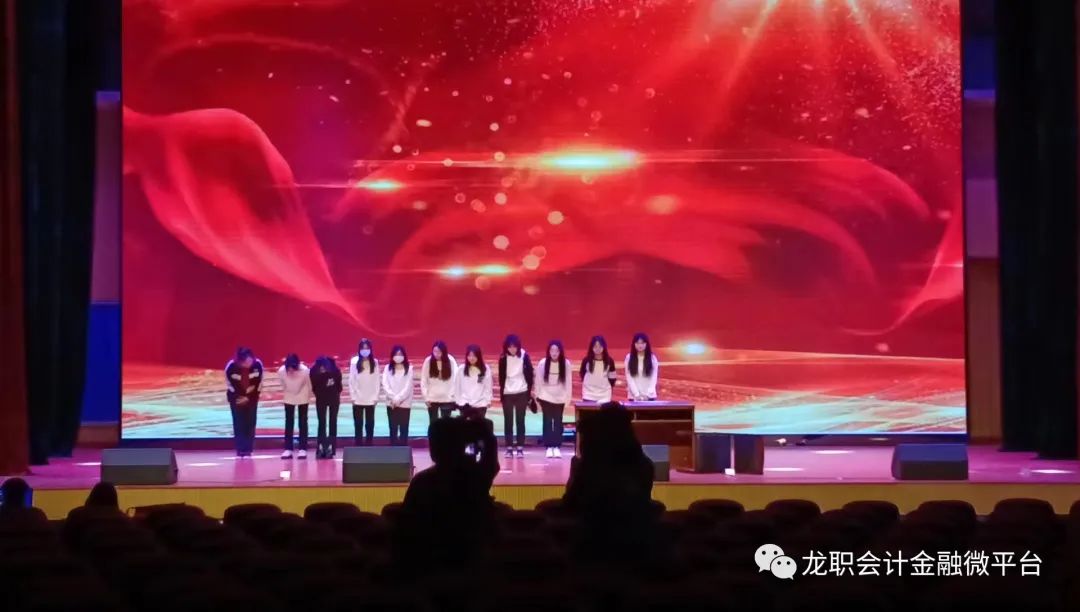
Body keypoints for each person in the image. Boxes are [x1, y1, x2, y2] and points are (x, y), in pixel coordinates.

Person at [563, 402, 663, 564]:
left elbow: (569, 503)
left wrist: (575, 473)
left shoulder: (592, 464)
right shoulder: (644, 464)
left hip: (593, 543)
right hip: (637, 545)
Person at [395, 417, 499, 567]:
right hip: (473, 561)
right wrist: (483, 432)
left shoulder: (422, 481)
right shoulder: (475, 476)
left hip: (428, 563)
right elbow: (491, 463)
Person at [498, 334, 534, 457]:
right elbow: (501, 376)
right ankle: (509, 448)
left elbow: (530, 373)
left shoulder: (524, 355)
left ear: (518, 346)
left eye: (514, 347)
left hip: (521, 392)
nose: (512, 349)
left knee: (520, 420)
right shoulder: (503, 357)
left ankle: (520, 448)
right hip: (507, 392)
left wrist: (528, 392)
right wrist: (502, 393)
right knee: (508, 421)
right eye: (510, 347)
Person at [536, 340, 573, 459]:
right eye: (552, 350)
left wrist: (567, 398)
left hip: (559, 397)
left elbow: (568, 382)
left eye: (557, 350)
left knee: (557, 422)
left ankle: (556, 446)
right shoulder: (543, 363)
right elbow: (538, 381)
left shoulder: (566, 364)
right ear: (548, 351)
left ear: (560, 352)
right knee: (547, 422)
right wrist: (538, 396)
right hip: (545, 396)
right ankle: (548, 447)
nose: (554, 353)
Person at [225, 347, 264, 457]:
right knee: (239, 423)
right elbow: (230, 385)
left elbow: (259, 384)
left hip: (252, 399)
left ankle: (248, 449)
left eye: (250, 361)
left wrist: (249, 398)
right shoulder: (231, 367)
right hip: (236, 399)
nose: (249, 363)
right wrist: (239, 397)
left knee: (250, 423)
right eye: (246, 362)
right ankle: (240, 449)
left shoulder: (258, 365)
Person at [277, 353, 312, 459]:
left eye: (293, 368)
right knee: (289, 422)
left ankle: (303, 449)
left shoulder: (305, 370)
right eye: (289, 368)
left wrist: (307, 396)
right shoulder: (281, 371)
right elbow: (283, 384)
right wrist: (290, 392)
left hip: (303, 394)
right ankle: (288, 449)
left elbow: (309, 385)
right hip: (289, 396)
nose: (291, 370)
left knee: (303, 422)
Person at [310, 356, 343, 459]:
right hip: (321, 398)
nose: (322, 369)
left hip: (334, 397)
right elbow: (314, 387)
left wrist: (334, 393)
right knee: (322, 422)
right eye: (321, 368)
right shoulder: (313, 372)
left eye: (324, 368)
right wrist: (320, 395)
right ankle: (321, 447)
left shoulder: (335, 371)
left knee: (333, 422)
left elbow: (339, 387)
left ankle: (331, 448)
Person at [349, 339, 380, 446]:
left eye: (367, 348)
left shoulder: (374, 362)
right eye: (363, 348)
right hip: (357, 398)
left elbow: (377, 380)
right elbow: (351, 380)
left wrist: (376, 396)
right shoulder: (354, 362)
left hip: (371, 398)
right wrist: (353, 396)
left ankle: (369, 445)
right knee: (358, 424)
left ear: (370, 349)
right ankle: (358, 445)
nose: (365, 350)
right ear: (359, 349)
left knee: (369, 424)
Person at [382, 345, 414, 446]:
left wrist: (398, 399)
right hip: (391, 404)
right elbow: (385, 384)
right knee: (393, 429)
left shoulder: (409, 369)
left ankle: (403, 451)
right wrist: (393, 398)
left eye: (400, 354)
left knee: (404, 430)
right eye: (396, 354)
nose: (398, 356)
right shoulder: (387, 368)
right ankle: (393, 451)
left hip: (405, 404)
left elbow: (408, 387)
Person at [421, 340, 457, 426]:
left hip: (447, 398)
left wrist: (453, 394)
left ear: (444, 352)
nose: (436, 354)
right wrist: (426, 397)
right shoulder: (428, 361)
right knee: (433, 424)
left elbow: (456, 378)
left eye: (439, 352)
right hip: (432, 398)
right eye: (435, 351)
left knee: (446, 424)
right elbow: (423, 380)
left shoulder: (451, 360)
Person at [454, 344, 493, 421]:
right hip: (465, 404)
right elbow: (457, 386)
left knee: (478, 427)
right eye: (469, 356)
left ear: (478, 356)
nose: (471, 358)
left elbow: (488, 386)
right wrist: (458, 401)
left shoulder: (485, 369)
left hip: (480, 404)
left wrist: (488, 400)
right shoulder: (461, 369)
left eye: (474, 356)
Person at [580, 335, 617, 404]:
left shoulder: (609, 361)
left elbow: (612, 378)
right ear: (591, 347)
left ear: (604, 347)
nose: (598, 349)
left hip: (605, 395)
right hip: (588, 394)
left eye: (600, 346)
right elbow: (582, 373)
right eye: (595, 346)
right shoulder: (586, 360)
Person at [625, 332, 660, 401]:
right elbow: (629, 377)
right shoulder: (629, 358)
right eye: (637, 343)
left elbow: (654, 377)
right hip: (634, 397)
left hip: (649, 396)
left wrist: (648, 394)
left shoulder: (652, 358)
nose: (640, 345)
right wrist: (636, 394)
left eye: (642, 343)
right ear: (634, 344)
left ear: (646, 344)